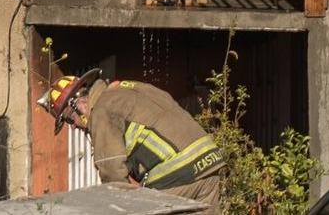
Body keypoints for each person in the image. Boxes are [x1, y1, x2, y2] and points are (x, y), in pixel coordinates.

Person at [37, 69, 225, 211]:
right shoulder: (132, 87)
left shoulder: (101, 110)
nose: (74, 126)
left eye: (70, 119)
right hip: (209, 161)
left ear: (80, 104)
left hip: (177, 174)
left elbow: (112, 174)